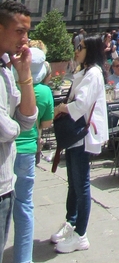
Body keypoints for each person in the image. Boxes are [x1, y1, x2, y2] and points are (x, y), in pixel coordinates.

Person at [51, 35, 109, 253]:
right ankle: (71, 222)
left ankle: (80, 234)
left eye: (80, 47)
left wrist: (61, 108)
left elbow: (82, 103)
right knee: (73, 184)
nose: (76, 50)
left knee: (82, 185)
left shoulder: (93, 73)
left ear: (90, 49)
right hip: (77, 134)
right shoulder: (84, 72)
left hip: (83, 134)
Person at [0, 0, 37, 259]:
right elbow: (7, 130)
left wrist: (24, 75)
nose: (25, 38)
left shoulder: (6, 70)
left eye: (27, 32)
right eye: (19, 31)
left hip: (5, 184)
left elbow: (27, 121)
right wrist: (11, 124)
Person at [12, 45, 53, 263]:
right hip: (27, 150)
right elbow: (46, 123)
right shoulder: (45, 92)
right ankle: (24, 259)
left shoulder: (9, 82)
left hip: (6, 149)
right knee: (24, 206)